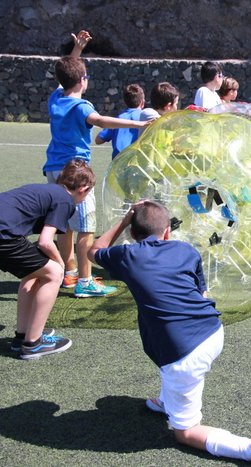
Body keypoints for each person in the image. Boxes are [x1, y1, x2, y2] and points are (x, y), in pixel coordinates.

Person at [87, 201, 251, 462]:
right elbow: (202, 292)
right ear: (167, 231)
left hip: (185, 353)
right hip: (213, 331)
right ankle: (168, 400)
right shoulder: (185, 249)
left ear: (133, 234)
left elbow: (94, 250)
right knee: (162, 346)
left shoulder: (127, 255)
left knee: (186, 432)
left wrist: (124, 221)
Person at [43, 29, 151, 298]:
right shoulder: (81, 107)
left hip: (54, 167)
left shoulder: (56, 99)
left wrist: (77, 50)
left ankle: (68, 274)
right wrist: (138, 123)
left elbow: (66, 72)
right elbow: (101, 121)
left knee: (65, 224)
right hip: (76, 172)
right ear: (83, 80)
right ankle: (85, 280)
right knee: (86, 226)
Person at [2, 160, 95, 360]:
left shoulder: (49, 190)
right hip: (4, 236)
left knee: (34, 272)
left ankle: (22, 336)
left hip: (6, 234)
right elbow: (45, 242)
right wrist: (61, 264)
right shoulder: (65, 200)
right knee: (53, 272)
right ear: (83, 188)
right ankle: (33, 343)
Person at [95, 84, 145, 158]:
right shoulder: (146, 118)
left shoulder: (118, 120)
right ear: (142, 102)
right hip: (138, 163)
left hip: (118, 163)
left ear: (125, 102)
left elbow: (98, 140)